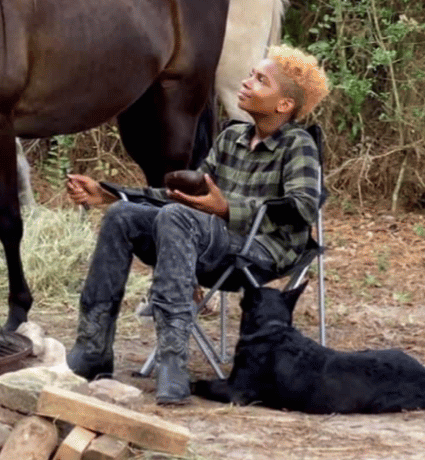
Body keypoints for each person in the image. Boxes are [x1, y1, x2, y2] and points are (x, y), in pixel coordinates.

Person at [65, 45, 330, 405]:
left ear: (284, 105)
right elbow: (182, 195)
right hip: (203, 240)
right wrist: (111, 194)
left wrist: (227, 209)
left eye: (260, 80)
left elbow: (302, 208)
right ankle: (93, 348)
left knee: (178, 218)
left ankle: (174, 360)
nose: (247, 82)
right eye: (251, 74)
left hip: (262, 251)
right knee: (123, 217)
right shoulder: (230, 138)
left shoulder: (297, 145)